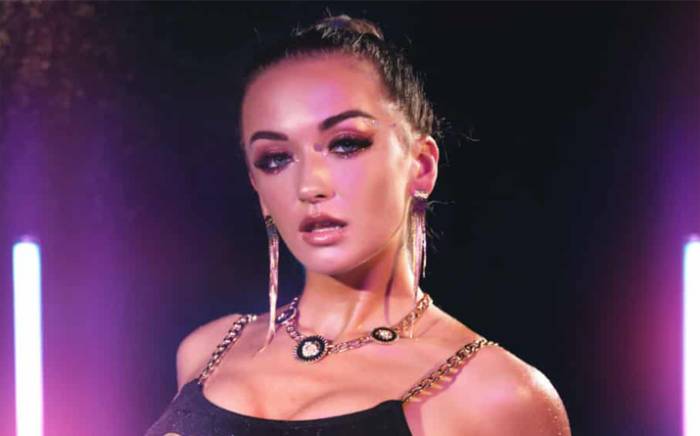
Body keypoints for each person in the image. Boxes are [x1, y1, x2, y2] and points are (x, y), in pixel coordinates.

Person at [145, 14, 571, 436]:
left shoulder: (496, 396)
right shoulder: (207, 351)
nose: (309, 186)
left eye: (346, 144)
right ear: (258, 189)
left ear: (421, 166)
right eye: (275, 159)